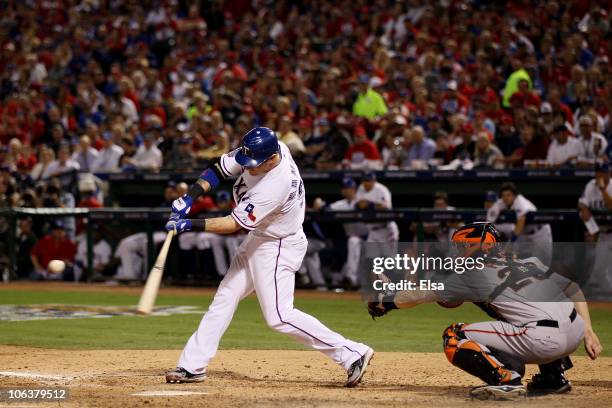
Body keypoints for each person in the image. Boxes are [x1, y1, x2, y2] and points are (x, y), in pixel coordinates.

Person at [164, 127, 374, 386]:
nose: (248, 168)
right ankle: (192, 365)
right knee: (224, 298)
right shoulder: (268, 148)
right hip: (260, 238)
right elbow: (220, 168)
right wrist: (190, 196)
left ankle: (352, 353)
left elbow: (233, 224)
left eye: (254, 164)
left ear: (271, 159)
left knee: (279, 316)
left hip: (278, 246)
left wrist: (188, 225)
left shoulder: (277, 182)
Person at [368, 222, 602, 400]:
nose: (461, 252)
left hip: (543, 341)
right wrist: (589, 331)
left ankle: (506, 380)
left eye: (466, 246)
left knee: (454, 336)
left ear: (487, 245)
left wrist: (385, 300)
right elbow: (573, 289)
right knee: (522, 311)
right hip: (576, 332)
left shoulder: (472, 274)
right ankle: (553, 377)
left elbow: (420, 295)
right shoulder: (528, 261)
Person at [313, 178, 369, 288]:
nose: (347, 190)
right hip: (356, 240)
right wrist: (318, 201)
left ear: (355, 189)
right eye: (345, 188)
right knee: (354, 252)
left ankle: (353, 280)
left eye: (350, 188)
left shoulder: (362, 201)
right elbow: (324, 208)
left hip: (370, 238)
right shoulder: (341, 204)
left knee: (363, 267)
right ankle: (351, 282)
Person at [486, 182, 552, 266]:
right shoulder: (501, 202)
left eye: (509, 195)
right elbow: (489, 221)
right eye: (504, 195)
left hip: (540, 233)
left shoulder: (520, 201)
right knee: (516, 258)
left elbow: (521, 220)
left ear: (514, 195)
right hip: (524, 233)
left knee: (543, 265)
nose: (506, 198)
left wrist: (511, 242)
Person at [578, 162, 612, 295]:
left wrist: (603, 189)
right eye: (598, 172)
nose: (600, 174)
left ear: (609, 172)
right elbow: (581, 202)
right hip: (602, 235)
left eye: (603, 172)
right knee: (599, 271)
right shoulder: (591, 185)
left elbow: (610, 207)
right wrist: (584, 208)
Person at [355, 171, 399, 254]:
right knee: (372, 261)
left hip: (386, 229)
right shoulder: (361, 188)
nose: (366, 183)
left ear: (374, 181)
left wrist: (369, 204)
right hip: (372, 231)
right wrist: (374, 205)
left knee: (390, 261)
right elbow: (359, 205)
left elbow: (386, 208)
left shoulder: (382, 190)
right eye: (364, 181)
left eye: (368, 181)